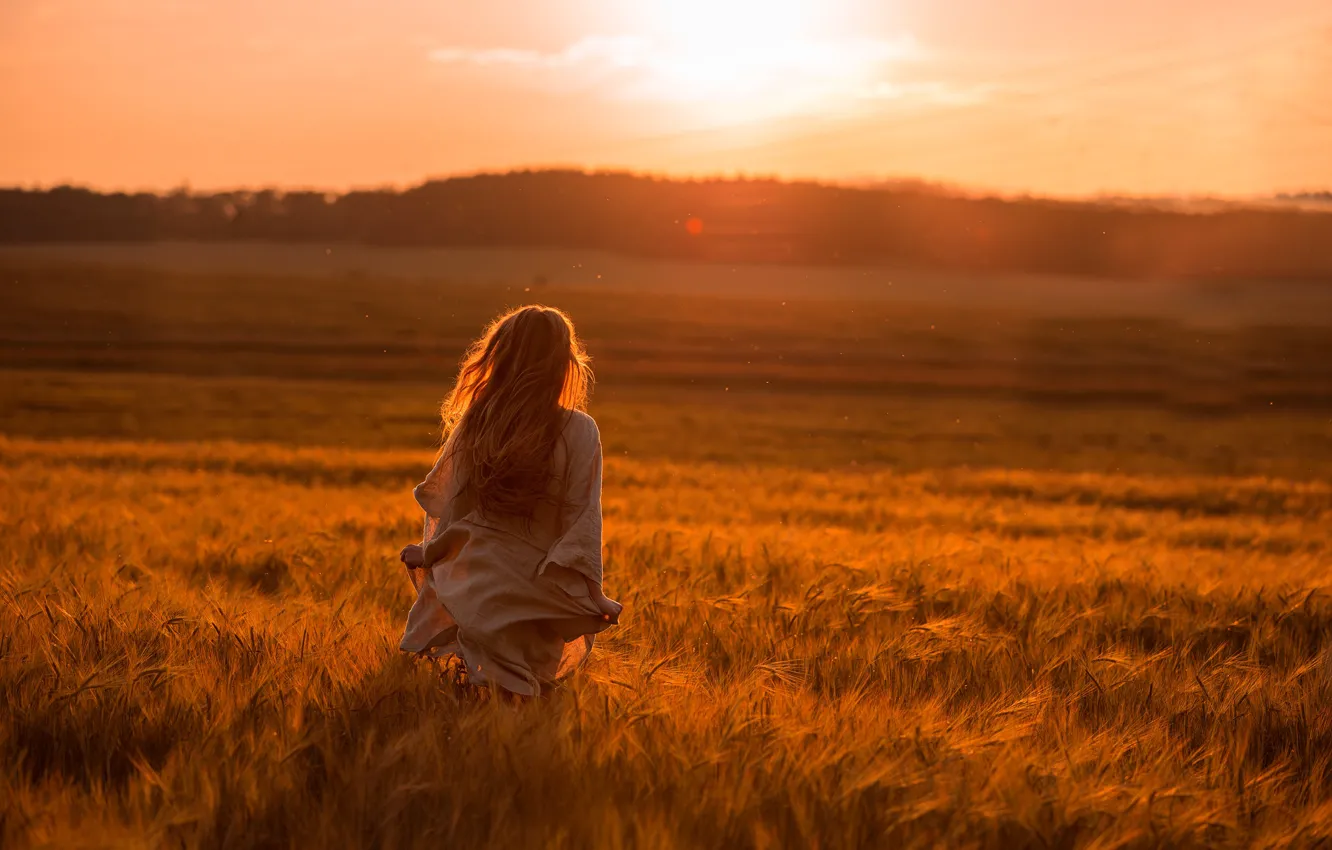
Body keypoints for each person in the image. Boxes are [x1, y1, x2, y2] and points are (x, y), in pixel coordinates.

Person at [398, 305, 622, 697]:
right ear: (565, 363)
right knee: (531, 694)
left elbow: (452, 505)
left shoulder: (478, 420)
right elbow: (581, 517)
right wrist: (591, 592)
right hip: (538, 585)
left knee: (475, 691)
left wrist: (430, 553)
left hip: (478, 580)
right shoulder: (580, 430)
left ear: (499, 357)